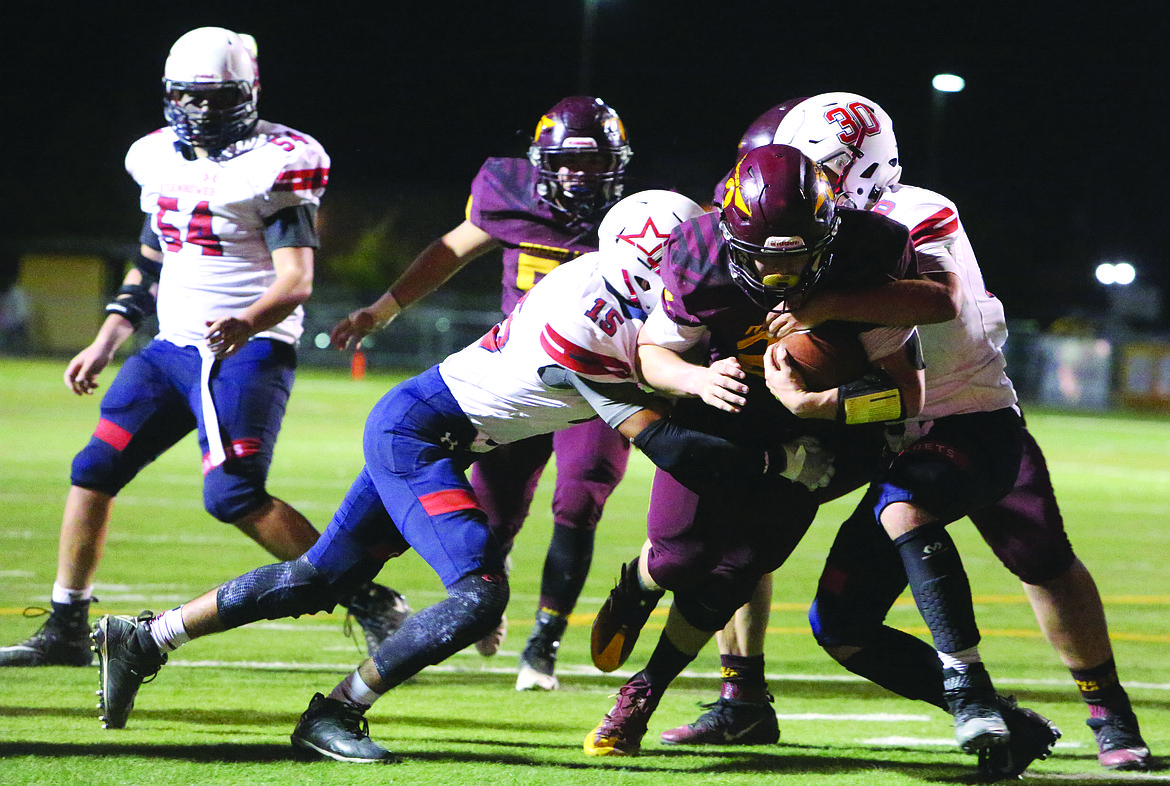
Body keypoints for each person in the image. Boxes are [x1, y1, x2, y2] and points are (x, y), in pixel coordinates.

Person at [88, 191, 829, 760]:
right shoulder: (595, 322)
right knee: (478, 594)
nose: (694, 275)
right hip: (422, 435)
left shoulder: (617, 291)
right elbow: (667, 445)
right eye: (680, 263)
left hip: (431, 427)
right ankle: (334, 714)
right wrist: (780, 460)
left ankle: (145, 638)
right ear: (644, 269)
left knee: (320, 577)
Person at [670, 92, 1151, 774]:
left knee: (1038, 557)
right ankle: (747, 694)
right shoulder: (813, 220)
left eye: (812, 164)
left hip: (966, 415)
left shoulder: (913, 211)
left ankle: (1103, 709)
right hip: (878, 421)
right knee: (809, 585)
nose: (800, 181)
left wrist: (820, 306)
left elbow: (936, 297)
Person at [0, 27, 408, 669]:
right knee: (93, 469)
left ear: (248, 94)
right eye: (189, 97)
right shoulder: (155, 157)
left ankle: (368, 598)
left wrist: (247, 320)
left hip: (247, 351)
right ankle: (66, 626)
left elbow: (296, 279)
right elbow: (151, 256)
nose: (201, 112)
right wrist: (108, 337)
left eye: (216, 99)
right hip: (170, 350)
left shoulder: (277, 161)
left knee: (233, 496)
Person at [584, 144, 951, 759]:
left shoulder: (871, 250)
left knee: (740, 565)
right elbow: (653, 355)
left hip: (823, 430)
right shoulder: (696, 253)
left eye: (800, 258)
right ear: (730, 232)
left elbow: (905, 395)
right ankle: (641, 585)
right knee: (679, 557)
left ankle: (644, 690)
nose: (781, 279)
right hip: (725, 408)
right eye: (764, 260)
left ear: (829, 232)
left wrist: (822, 403)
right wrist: (697, 379)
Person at [329, 96, 638, 691]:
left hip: (600, 384)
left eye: (594, 162)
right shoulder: (510, 193)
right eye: (565, 162)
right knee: (492, 513)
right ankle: (485, 595)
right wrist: (385, 307)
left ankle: (543, 644)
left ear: (617, 163)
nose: (578, 174)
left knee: (578, 504)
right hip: (519, 377)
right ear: (540, 161)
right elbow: (451, 249)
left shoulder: (633, 221)